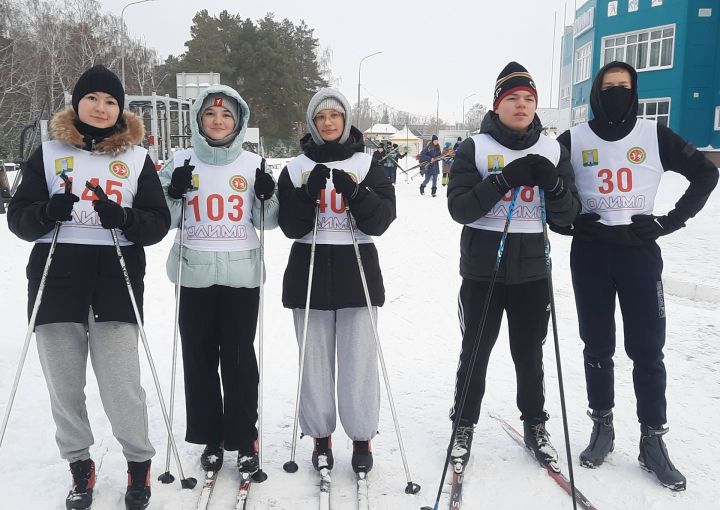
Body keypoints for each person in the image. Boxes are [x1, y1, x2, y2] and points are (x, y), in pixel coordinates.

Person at [7, 65, 170, 510]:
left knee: (121, 387)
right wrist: (46, 211)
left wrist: (125, 219)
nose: (101, 108)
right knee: (65, 388)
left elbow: (158, 224)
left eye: (111, 101)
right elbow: (18, 219)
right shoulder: (46, 153)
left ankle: (139, 462)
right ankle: (80, 465)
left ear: (121, 110)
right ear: (77, 104)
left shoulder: (136, 158)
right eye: (93, 98)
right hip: (55, 282)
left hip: (115, 283)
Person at [555, 61, 718, 490]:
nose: (615, 94)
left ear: (635, 92)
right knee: (597, 345)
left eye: (623, 88)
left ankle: (652, 441)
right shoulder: (574, 139)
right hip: (591, 254)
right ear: (595, 92)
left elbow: (706, 172)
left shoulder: (654, 135)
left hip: (639, 254)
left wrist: (670, 221)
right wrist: (568, 223)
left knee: (647, 351)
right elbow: (544, 184)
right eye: (608, 88)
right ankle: (602, 428)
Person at [446, 62, 579, 470]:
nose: (521, 106)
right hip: (483, 270)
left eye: (529, 100)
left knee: (529, 353)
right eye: (512, 99)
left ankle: (535, 424)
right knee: (475, 350)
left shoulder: (554, 149)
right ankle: (463, 425)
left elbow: (569, 217)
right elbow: (460, 208)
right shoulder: (476, 147)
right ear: (497, 105)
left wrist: (554, 186)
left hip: (533, 272)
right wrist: (503, 180)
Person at [159, 85, 279, 475]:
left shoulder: (253, 163)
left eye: (226, 115)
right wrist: (174, 193)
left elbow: (270, 220)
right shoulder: (179, 160)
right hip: (193, 273)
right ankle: (212, 436)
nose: (218, 120)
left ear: (238, 121)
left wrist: (266, 196)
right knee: (199, 357)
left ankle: (245, 438)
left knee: (239, 358)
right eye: (211, 115)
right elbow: (165, 218)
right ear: (199, 119)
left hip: (241, 275)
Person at [277, 88, 396, 474]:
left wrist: (356, 193)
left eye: (335, 116)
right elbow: (290, 227)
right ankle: (320, 436)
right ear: (312, 123)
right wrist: (308, 195)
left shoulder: (368, 162)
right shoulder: (295, 167)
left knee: (359, 360)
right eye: (321, 117)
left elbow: (381, 221)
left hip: (356, 268)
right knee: (314, 362)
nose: (328, 123)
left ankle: (362, 436)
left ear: (345, 120)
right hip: (308, 269)